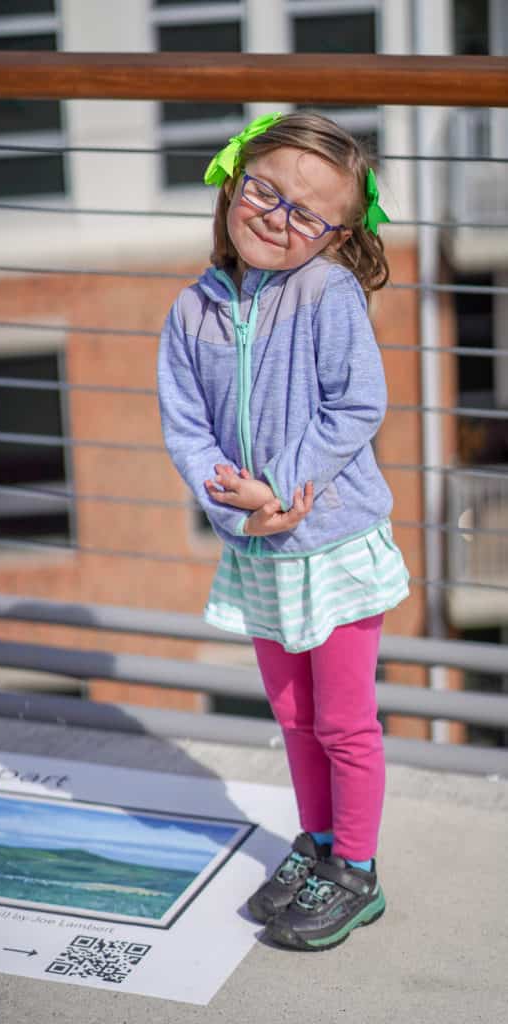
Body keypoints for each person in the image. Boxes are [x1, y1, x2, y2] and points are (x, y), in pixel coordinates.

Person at [157, 111, 409, 952]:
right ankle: (318, 844)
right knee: (294, 719)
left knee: (343, 723)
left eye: (308, 211)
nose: (277, 216)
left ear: (335, 231)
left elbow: (355, 405)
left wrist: (286, 487)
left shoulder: (327, 291)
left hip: (329, 546)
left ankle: (357, 872)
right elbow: (186, 429)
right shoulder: (190, 309)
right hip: (257, 546)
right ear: (233, 183)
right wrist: (236, 507)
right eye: (265, 190)